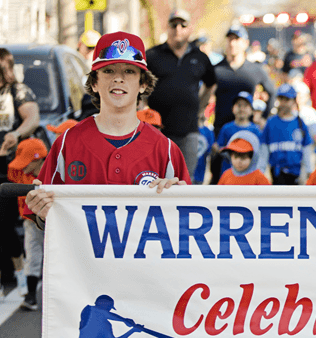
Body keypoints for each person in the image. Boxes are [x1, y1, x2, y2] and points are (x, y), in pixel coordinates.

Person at [24, 31, 191, 227]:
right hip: (84, 257)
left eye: (129, 71)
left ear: (143, 84)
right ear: (94, 82)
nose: (118, 78)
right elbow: (47, 222)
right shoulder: (68, 143)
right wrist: (42, 214)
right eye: (108, 71)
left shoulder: (166, 150)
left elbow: (186, 224)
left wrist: (178, 200)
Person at [146, 9, 217, 185]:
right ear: (167, 28)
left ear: (189, 29)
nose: (178, 29)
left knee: (186, 181)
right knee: (155, 181)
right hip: (157, 132)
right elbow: (138, 84)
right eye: (174, 25)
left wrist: (200, 108)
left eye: (183, 25)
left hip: (189, 131)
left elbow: (210, 83)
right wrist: (143, 107)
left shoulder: (200, 57)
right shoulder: (152, 56)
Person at [211, 24, 275, 184]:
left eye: (237, 39)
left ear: (245, 43)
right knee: (221, 179)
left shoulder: (255, 69)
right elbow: (202, 95)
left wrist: (264, 117)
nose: (232, 43)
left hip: (247, 132)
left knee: (247, 178)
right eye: (230, 39)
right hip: (222, 131)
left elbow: (272, 91)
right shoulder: (216, 70)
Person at [0, 47, 40, 287]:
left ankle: (10, 272)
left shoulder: (18, 91)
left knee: (5, 221)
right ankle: (8, 271)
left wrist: (16, 133)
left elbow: (32, 118)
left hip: (10, 165)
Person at [7, 138, 46, 310]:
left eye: (26, 161)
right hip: (30, 219)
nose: (22, 165)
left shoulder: (56, 171)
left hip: (55, 220)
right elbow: (9, 171)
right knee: (32, 253)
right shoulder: (21, 173)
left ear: (38, 159)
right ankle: (31, 296)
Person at [263, 84, 311, 185]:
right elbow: (264, 149)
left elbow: (306, 148)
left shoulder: (300, 123)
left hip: (296, 174)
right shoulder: (271, 123)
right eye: (281, 99)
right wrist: (262, 170)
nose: (283, 103)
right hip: (276, 173)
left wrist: (308, 170)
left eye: (287, 100)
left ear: (293, 101)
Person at [78, 295, 143, 338]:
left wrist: (132, 330)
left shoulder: (106, 325)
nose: (109, 309)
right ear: (100, 303)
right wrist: (124, 320)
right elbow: (104, 313)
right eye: (109, 306)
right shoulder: (88, 311)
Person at [215, 91, 263, 174]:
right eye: (239, 105)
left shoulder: (256, 130)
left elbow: (260, 152)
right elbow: (219, 147)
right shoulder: (226, 128)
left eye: (245, 105)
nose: (242, 109)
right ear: (233, 108)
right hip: (228, 172)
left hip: (249, 173)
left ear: (251, 110)